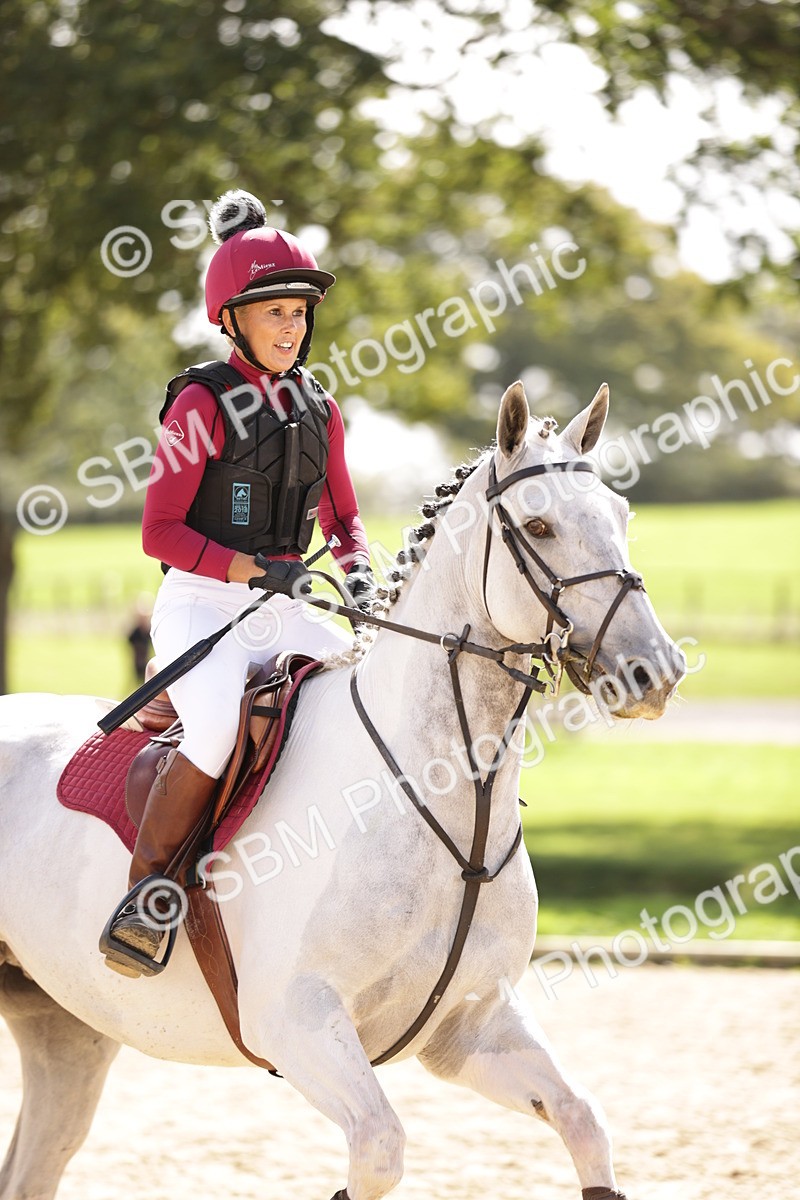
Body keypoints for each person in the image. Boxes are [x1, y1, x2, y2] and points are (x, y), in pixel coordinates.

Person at [102, 190, 375, 977]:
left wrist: (359, 574)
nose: (292, 326)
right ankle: (146, 898)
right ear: (233, 319)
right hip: (203, 603)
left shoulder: (322, 409)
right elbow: (160, 533)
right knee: (218, 725)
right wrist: (254, 568)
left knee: (370, 690)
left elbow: (345, 520)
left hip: (284, 607)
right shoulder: (198, 402)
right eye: (275, 312)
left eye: (299, 312)